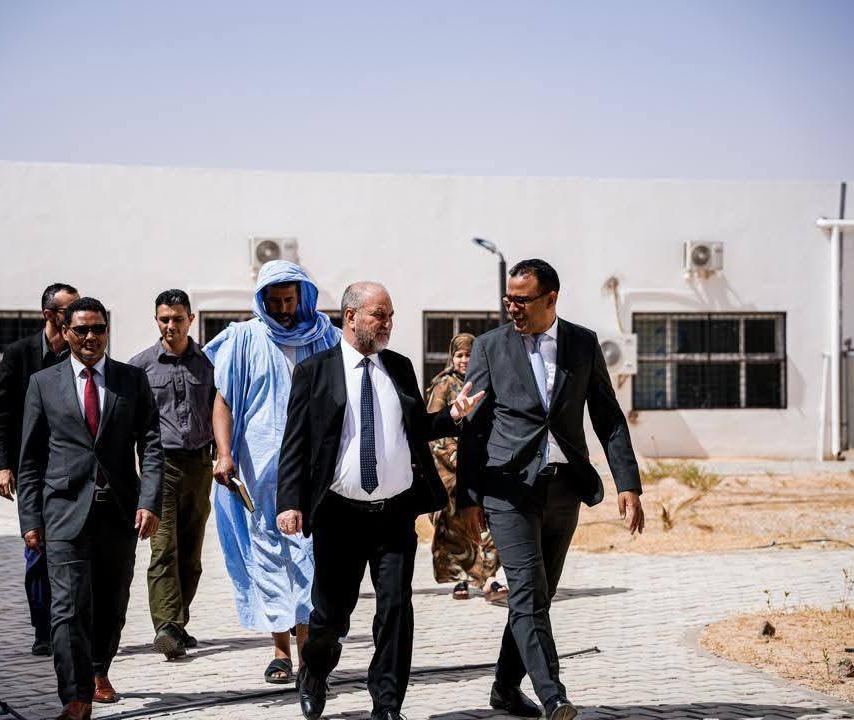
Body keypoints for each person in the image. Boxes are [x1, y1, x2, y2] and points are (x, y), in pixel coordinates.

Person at [276, 281, 484, 720]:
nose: (388, 323)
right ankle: (314, 671)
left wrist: (452, 416)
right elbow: (296, 443)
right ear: (350, 317)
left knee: (395, 609)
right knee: (331, 614)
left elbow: (415, 427)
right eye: (379, 315)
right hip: (339, 515)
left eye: (390, 315)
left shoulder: (399, 367)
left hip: (394, 514)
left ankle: (387, 704)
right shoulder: (315, 371)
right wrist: (289, 501)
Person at [457, 259, 645, 720]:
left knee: (536, 596)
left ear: (551, 299)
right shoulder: (489, 347)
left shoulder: (582, 343)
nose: (512, 308)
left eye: (522, 300)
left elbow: (607, 416)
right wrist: (468, 498)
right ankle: (553, 695)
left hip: (564, 489)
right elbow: (473, 430)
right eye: (509, 299)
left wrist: (627, 483)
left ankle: (504, 689)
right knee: (526, 591)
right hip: (508, 490)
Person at [18, 297, 164, 720]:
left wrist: (150, 501)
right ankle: (76, 697)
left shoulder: (131, 380)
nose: (90, 337)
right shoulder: (43, 384)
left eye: (98, 329)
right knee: (67, 609)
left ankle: (99, 668)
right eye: (81, 329)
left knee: (111, 603)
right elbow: (31, 459)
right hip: (64, 512)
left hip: (119, 512)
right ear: (65, 332)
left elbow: (152, 446)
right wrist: (30, 518)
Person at [203, 260, 341, 685]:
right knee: (267, 556)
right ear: (262, 300)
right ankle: (280, 651)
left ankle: (308, 655)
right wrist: (224, 454)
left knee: (309, 557)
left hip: (313, 471)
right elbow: (223, 402)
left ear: (303, 297)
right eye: (275, 301)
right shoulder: (243, 338)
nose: (283, 309)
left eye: (289, 300)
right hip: (258, 470)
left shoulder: (326, 337)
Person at [0, 282, 79, 656]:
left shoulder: (81, 352)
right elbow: (0, 413)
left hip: (72, 467)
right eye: (70, 310)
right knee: (37, 547)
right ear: (50, 314)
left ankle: (71, 626)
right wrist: (1, 466)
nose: (79, 318)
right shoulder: (19, 354)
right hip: (32, 469)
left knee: (72, 549)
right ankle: (44, 629)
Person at [128, 289, 216, 660]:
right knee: (163, 549)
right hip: (160, 467)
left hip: (200, 465)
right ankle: (166, 627)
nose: (170, 326)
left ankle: (177, 624)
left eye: (178, 319)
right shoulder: (139, 367)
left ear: (190, 320)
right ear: (156, 320)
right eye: (164, 319)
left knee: (191, 555)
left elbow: (221, 411)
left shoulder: (209, 363)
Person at [425, 332, 506, 602]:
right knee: (453, 521)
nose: (463, 360)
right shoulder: (443, 385)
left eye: (469, 355)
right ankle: (464, 578)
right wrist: (456, 457)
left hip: (482, 463)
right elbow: (433, 427)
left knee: (490, 518)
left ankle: (488, 575)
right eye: (459, 355)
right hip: (449, 469)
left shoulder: (486, 381)